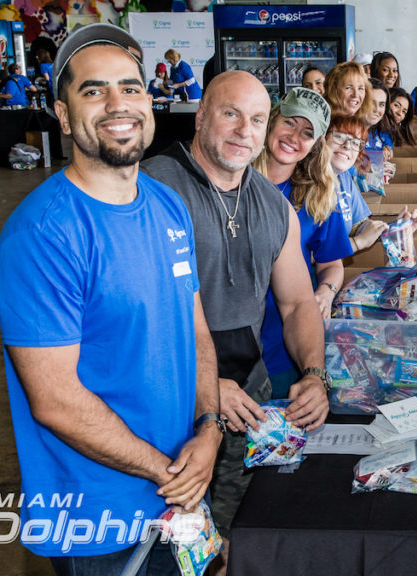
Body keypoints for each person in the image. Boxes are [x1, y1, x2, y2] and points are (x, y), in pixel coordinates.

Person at [0, 23, 220, 573]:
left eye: (130, 87)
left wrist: (209, 429)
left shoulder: (167, 206)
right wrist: (172, 473)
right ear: (64, 116)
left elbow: (195, 332)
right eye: (93, 90)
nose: (118, 104)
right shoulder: (43, 234)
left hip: (181, 491)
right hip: (100, 522)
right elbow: (55, 399)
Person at [141, 70, 329, 552]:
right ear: (201, 115)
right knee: (161, 542)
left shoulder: (275, 206)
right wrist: (204, 386)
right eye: (231, 114)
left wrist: (314, 374)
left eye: (257, 119)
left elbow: (298, 303)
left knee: (227, 537)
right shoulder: (149, 189)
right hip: (167, 400)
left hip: (248, 398)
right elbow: (132, 320)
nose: (245, 131)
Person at [251, 87, 351, 396]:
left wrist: (326, 291)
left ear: (315, 145)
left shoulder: (318, 197)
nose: (294, 136)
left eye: (307, 132)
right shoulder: (234, 178)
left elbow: (332, 264)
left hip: (285, 345)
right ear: (272, 120)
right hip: (228, 349)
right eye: (289, 122)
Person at [326, 113, 389, 248]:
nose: (347, 146)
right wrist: (358, 242)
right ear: (323, 139)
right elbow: (308, 253)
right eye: (339, 137)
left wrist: (393, 228)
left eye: (355, 142)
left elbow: (359, 225)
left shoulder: (343, 177)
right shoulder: (306, 185)